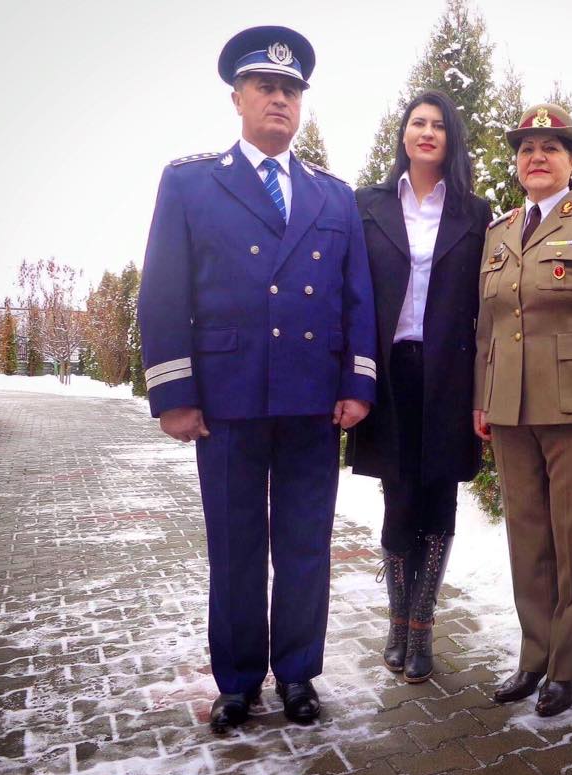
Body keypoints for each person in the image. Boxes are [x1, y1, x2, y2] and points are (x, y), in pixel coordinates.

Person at [137, 26, 376, 732]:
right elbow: (164, 291)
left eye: (290, 91)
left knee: (305, 544)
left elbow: (357, 297)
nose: (279, 100)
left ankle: (298, 674)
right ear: (238, 99)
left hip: (310, 401)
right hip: (228, 400)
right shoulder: (191, 182)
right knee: (236, 546)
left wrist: (357, 382)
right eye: (266, 88)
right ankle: (238, 681)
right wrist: (174, 394)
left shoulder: (333, 196)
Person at [473, 103, 572, 716]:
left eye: (550, 148)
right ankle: (533, 657)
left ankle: (566, 668)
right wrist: (482, 399)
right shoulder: (499, 233)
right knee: (527, 538)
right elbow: (488, 328)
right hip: (511, 410)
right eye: (526, 149)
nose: (536, 157)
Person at [348, 90, 491, 683]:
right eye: (418, 122)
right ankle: (397, 623)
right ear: (403, 134)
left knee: (440, 496)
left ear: (451, 139)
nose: (427, 132)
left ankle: (423, 628)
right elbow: (351, 293)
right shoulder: (368, 205)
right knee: (399, 496)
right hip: (391, 369)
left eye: (438, 125)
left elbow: (487, 303)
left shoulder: (476, 213)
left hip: (450, 374)